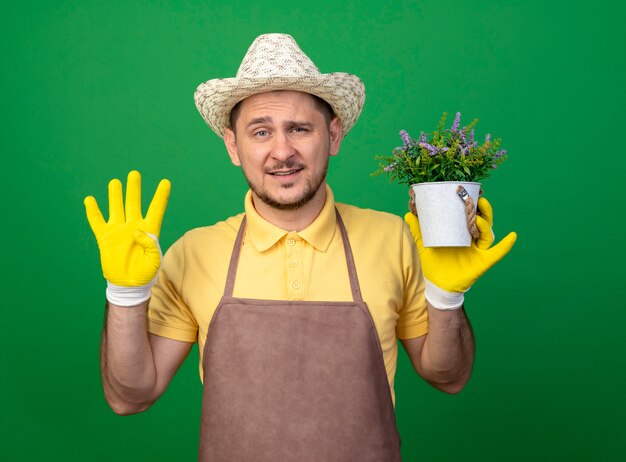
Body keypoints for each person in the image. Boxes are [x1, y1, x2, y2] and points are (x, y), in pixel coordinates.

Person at [84, 34, 516, 461]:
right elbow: (130, 396)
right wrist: (125, 294)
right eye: (260, 132)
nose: (282, 151)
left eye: (299, 128)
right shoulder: (193, 252)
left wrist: (446, 296)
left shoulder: (392, 239)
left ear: (333, 135)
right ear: (234, 146)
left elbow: (449, 376)